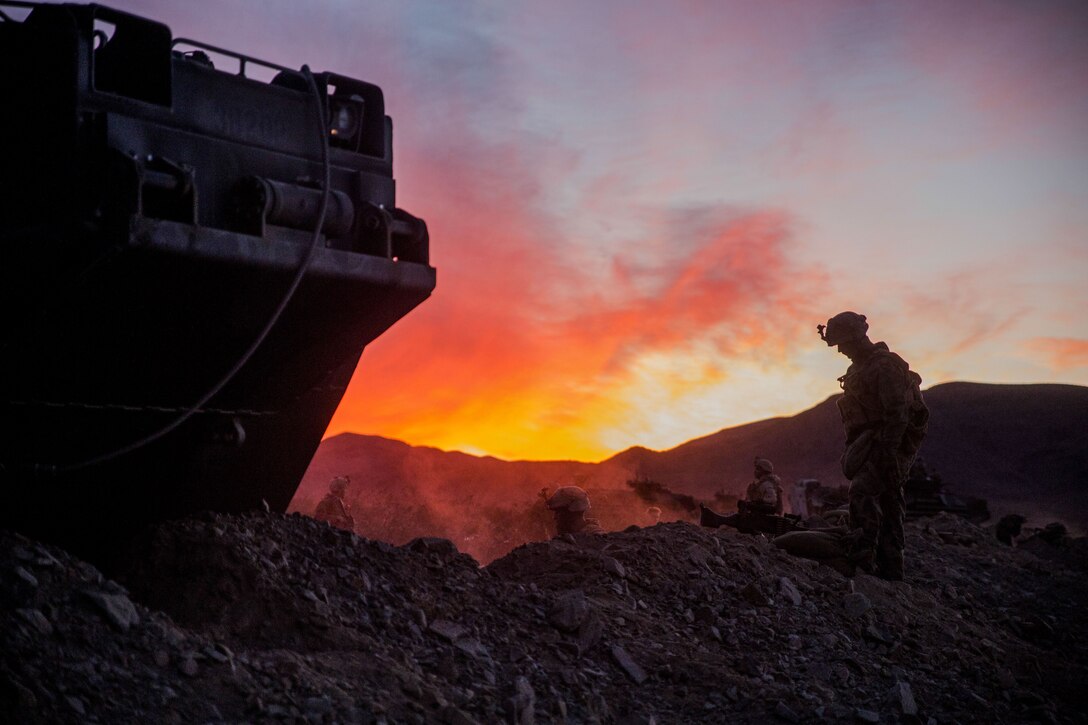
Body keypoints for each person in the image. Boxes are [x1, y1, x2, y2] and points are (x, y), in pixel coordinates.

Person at [819, 311, 928, 581]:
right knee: (885, 500)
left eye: (842, 343)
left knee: (866, 494)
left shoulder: (884, 366)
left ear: (856, 338)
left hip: (889, 443)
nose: (841, 350)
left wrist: (890, 453)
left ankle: (866, 563)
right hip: (869, 442)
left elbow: (897, 414)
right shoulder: (857, 369)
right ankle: (886, 568)